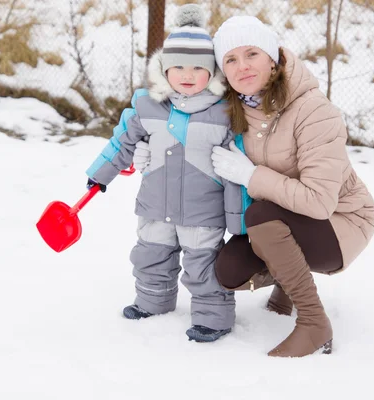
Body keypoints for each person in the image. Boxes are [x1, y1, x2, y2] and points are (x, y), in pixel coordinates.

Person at [208, 16, 374, 357]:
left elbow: (319, 202)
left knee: (261, 215)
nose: (242, 67)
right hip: (284, 219)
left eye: (252, 54)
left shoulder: (315, 111)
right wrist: (150, 153)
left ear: (272, 58)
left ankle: (315, 324)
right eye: (231, 59)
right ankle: (286, 286)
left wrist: (252, 177)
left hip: (342, 222)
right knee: (229, 269)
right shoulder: (235, 110)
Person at [85, 5, 246, 343]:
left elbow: (237, 164)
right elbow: (122, 143)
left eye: (197, 68)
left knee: (203, 264)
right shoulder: (146, 105)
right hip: (155, 203)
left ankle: (212, 317)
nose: (187, 75)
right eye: (178, 67)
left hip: (203, 210)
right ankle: (151, 302)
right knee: (151, 255)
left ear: (212, 71)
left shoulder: (225, 113)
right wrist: (101, 174)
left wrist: (239, 217)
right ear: (163, 69)